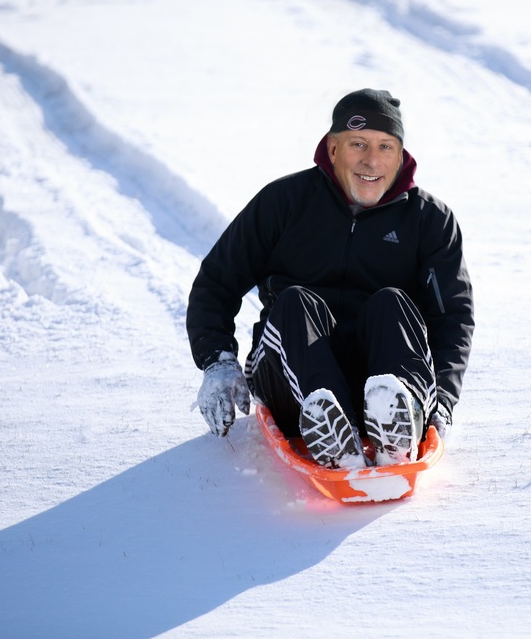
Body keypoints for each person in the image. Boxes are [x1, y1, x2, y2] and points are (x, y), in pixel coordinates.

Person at [186, 88, 474, 469]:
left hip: (383, 377)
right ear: (333, 148)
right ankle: (327, 423)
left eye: (386, 146)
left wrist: (444, 404)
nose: (372, 160)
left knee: (394, 302)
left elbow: (451, 319)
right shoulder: (284, 202)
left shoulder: (429, 221)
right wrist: (217, 361)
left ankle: (397, 424)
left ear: (401, 154)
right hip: (293, 377)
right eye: (359, 144)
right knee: (294, 301)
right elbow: (216, 282)